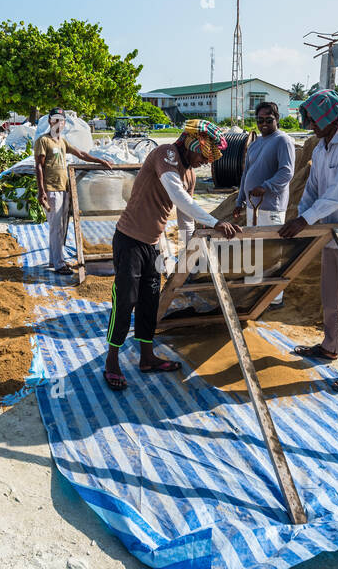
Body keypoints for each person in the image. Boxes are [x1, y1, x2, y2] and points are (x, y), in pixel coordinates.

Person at [103, 119, 241, 392]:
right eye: (203, 155)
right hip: (129, 240)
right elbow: (177, 195)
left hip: (153, 245)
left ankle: (146, 357)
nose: (204, 163)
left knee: (149, 301)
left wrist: (189, 256)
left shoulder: (190, 174)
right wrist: (214, 222)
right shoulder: (165, 154)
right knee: (126, 299)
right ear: (192, 143)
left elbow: (185, 217)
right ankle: (111, 361)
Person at [279, 89, 338, 394]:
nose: (312, 125)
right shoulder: (320, 150)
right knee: (330, 297)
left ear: (331, 116)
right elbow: (313, 192)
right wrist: (300, 219)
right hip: (328, 236)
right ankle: (330, 346)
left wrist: (305, 220)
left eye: (315, 119)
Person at [35, 107, 113, 275]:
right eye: (55, 119)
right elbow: (39, 166)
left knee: (61, 227)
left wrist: (98, 161)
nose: (58, 123)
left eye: (61, 120)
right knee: (56, 227)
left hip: (63, 188)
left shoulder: (62, 141)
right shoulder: (44, 141)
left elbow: (81, 153)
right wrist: (41, 192)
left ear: (64, 123)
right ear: (50, 121)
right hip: (51, 189)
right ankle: (59, 263)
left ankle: (54, 260)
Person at [234, 100, 295, 306]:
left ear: (276, 119)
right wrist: (239, 200)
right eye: (259, 120)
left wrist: (266, 186)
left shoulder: (283, 141)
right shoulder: (256, 143)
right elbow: (246, 174)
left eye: (268, 120)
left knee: (271, 252)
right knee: (254, 249)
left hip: (271, 207)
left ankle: (275, 299)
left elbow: (286, 172)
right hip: (253, 206)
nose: (263, 124)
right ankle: (256, 292)